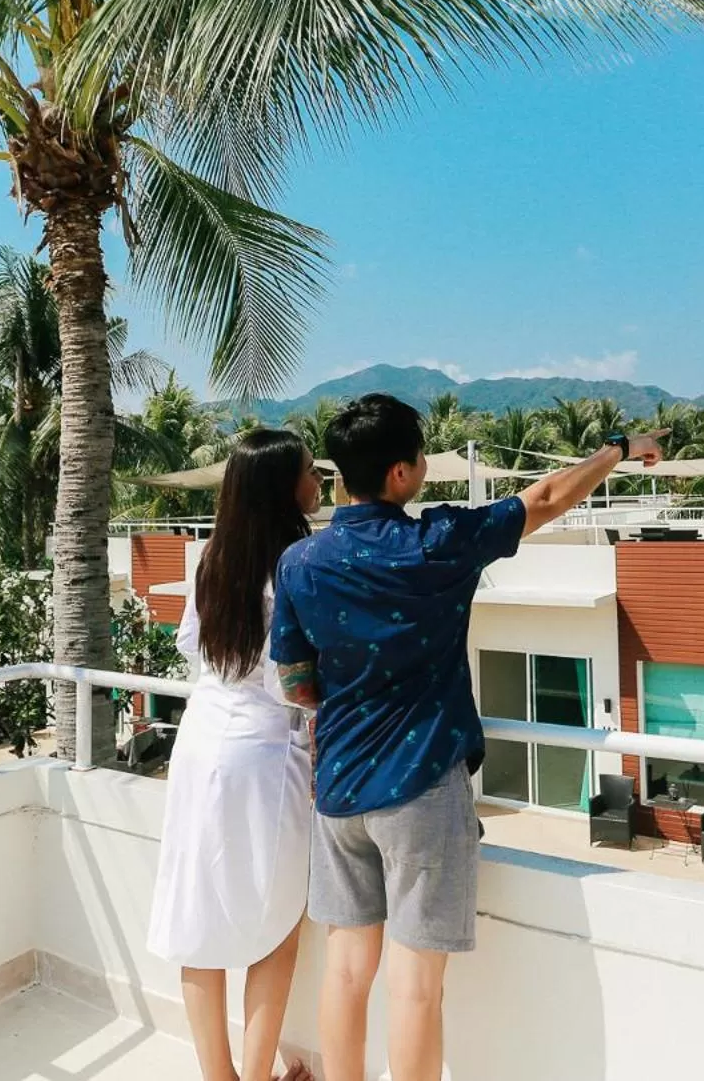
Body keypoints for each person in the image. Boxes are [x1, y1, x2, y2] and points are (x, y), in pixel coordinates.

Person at [270, 394, 663, 1081]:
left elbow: (296, 682)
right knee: (417, 985)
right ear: (400, 473)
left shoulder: (300, 562)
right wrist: (621, 449)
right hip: (421, 789)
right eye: (420, 454)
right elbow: (542, 500)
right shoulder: (440, 542)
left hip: (336, 790)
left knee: (346, 968)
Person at [146, 428, 324, 1081]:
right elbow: (310, 672)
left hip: (201, 740)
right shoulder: (302, 559)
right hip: (268, 750)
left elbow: (194, 647)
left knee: (201, 918)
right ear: (285, 485)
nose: (318, 480)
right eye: (309, 470)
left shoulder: (213, 556)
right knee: (276, 923)